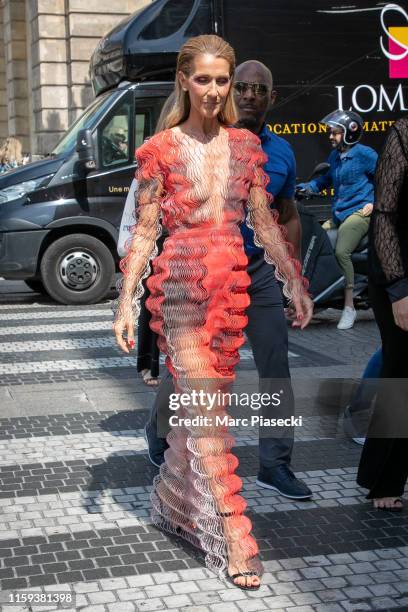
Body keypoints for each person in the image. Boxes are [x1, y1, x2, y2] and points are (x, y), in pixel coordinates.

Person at [114, 34, 312, 590]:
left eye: (221, 80)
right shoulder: (161, 149)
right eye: (203, 78)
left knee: (206, 407)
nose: (214, 89)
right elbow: (147, 231)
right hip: (179, 288)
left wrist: (293, 281)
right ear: (183, 79)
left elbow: (265, 222)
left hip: (231, 287)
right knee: (206, 414)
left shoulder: (247, 147)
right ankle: (233, 537)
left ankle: (176, 500)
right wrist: (126, 304)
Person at [144, 59, 314, 501]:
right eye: (244, 88)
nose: (251, 96)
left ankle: (276, 465)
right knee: (184, 369)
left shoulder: (281, 153)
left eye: (261, 89)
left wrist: (291, 277)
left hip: (257, 275)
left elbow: (288, 216)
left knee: (276, 366)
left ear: (272, 98)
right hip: (203, 274)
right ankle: (161, 432)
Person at [357, 118, 408, 512]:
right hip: (398, 274)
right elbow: (385, 215)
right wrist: (399, 289)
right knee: (400, 374)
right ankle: (382, 479)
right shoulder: (404, 132)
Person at [117, 95, 176, 387]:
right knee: (153, 305)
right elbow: (141, 204)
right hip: (158, 241)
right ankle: (149, 365)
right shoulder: (155, 153)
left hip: (188, 246)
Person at [298, 110, 378, 329]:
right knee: (317, 239)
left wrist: (376, 202)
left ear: (350, 133)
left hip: (359, 213)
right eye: (330, 133)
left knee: (342, 252)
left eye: (334, 133)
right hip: (339, 214)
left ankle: (349, 307)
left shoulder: (365, 154)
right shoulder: (335, 157)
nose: (330, 137)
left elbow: (385, 177)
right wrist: (306, 188)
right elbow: (324, 180)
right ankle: (319, 293)